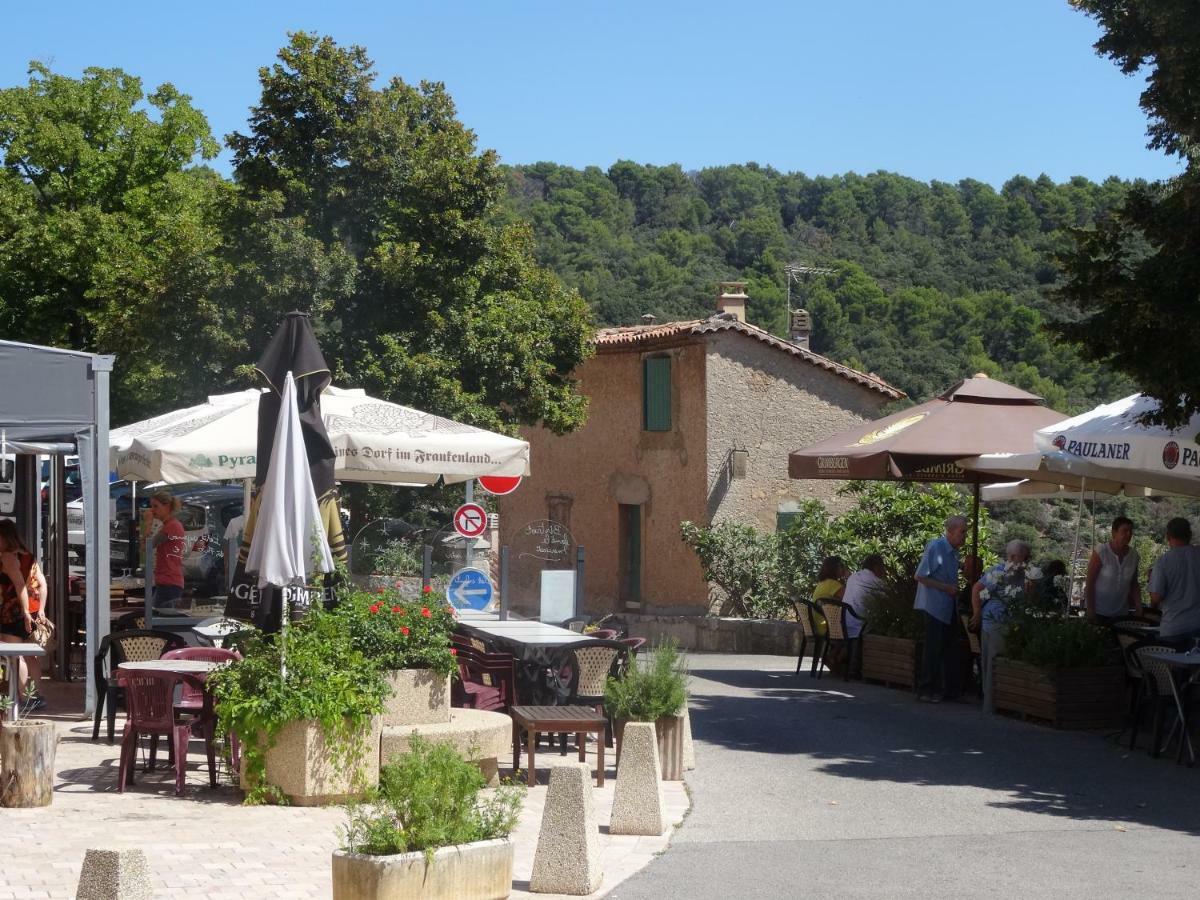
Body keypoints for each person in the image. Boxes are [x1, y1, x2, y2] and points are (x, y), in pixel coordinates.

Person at [971, 540, 1035, 714]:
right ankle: (990, 703)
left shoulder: (1025, 575)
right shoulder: (998, 571)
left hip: (1012, 623)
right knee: (993, 662)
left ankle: (1003, 702)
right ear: (1014, 556)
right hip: (995, 623)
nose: (1027, 561)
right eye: (1025, 557)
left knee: (1000, 661)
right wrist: (977, 613)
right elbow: (977, 589)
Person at [914, 515, 967, 703]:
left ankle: (946, 689)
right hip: (934, 606)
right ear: (950, 531)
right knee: (933, 648)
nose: (965, 537)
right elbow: (920, 576)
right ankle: (927, 689)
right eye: (962, 532)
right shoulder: (936, 547)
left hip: (947, 606)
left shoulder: (954, 553)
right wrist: (947, 588)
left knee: (949, 647)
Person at [0, 520, 49, 711]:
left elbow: (19, 585)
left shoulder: (9, 558)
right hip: (29, 611)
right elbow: (42, 584)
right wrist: (40, 610)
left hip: (14, 613)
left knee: (14, 656)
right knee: (28, 656)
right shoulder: (27, 555)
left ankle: (17, 698)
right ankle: (34, 695)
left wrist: (26, 612)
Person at [1148, 517, 1200, 648]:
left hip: (1174, 627)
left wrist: (1151, 580)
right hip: (1198, 625)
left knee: (1173, 668)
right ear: (1189, 535)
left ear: (1168, 536)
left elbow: (1156, 597)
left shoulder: (1163, 562)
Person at [1084, 516, 1141, 623]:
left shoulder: (1134, 555)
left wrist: (1138, 605)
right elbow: (1090, 582)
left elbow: (1134, 583)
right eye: (1124, 531)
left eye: (1130, 531)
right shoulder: (1102, 552)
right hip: (1098, 611)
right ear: (1114, 533)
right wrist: (1090, 610)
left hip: (1122, 613)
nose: (1128, 534)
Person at [842, 554, 886, 678]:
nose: (884, 570)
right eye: (883, 567)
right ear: (877, 567)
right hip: (860, 623)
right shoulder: (876, 582)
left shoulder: (853, 577)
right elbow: (889, 600)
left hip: (844, 621)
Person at [142, 489, 186, 609]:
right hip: (166, 581)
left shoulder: (172, 526)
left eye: (155, 506)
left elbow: (147, 546)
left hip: (169, 581)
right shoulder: (168, 525)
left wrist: (148, 524)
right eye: (151, 506)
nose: (152, 510)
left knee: (155, 619)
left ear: (166, 506)